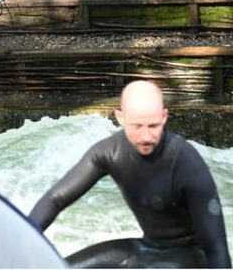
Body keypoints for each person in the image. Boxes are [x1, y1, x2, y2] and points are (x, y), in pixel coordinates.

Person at [29, 80, 230, 269]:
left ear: (164, 117)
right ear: (120, 118)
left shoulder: (186, 163)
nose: (146, 136)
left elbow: (217, 250)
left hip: (190, 259)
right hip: (147, 248)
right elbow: (55, 199)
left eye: (153, 126)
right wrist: (22, 237)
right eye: (137, 126)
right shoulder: (109, 152)